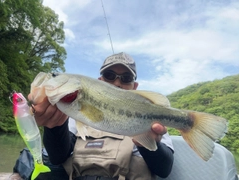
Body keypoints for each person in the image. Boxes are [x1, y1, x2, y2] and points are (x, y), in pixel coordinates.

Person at [13, 52, 174, 180]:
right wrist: (54, 127)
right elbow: (58, 157)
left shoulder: (152, 116)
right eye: (110, 75)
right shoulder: (76, 114)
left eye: (126, 78)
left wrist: (147, 141)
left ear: (135, 86)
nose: (117, 83)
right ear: (100, 80)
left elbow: (164, 169)